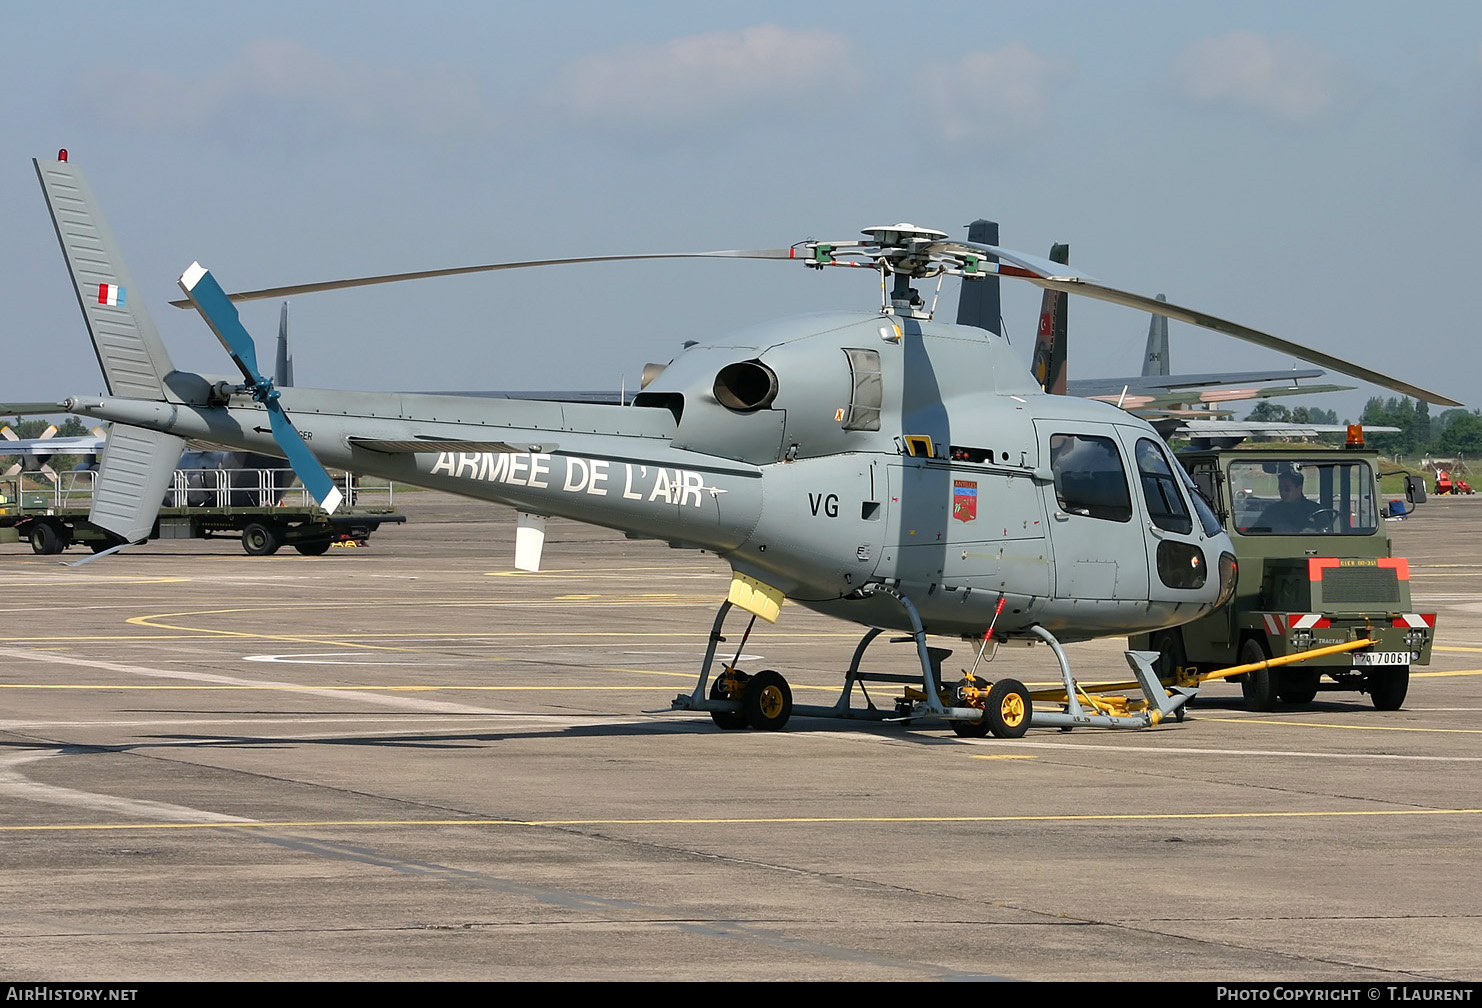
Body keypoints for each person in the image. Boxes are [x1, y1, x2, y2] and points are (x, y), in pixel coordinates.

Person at [1256, 471, 1323, 533]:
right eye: (1280, 489)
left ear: (1299, 489)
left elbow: (1326, 534)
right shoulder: (1271, 511)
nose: (1282, 492)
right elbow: (1255, 531)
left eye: (1287, 489)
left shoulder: (1316, 510)